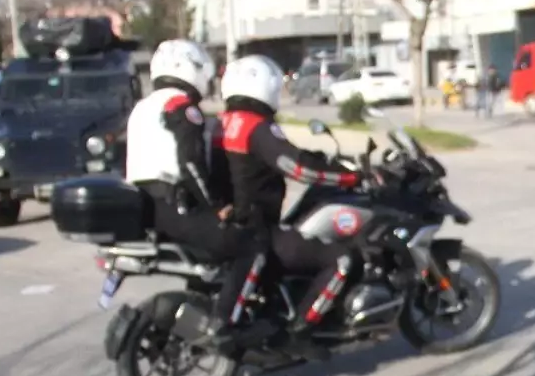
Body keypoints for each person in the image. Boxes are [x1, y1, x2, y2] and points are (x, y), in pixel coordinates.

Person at [206, 54, 367, 357]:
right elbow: (298, 169)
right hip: (258, 227)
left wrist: (317, 156)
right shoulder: (256, 125)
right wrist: (351, 177)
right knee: (342, 260)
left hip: (235, 222)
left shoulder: (224, 123)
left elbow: (281, 156)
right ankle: (301, 331)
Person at [124, 39, 235, 254]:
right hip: (174, 207)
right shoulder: (180, 106)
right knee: (250, 242)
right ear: (190, 68)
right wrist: (215, 206)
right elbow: (191, 162)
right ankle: (233, 290)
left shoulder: (144, 106)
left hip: (147, 206)